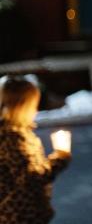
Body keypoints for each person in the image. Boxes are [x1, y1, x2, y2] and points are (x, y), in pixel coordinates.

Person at [0, 75, 71, 224]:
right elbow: (33, 178)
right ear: (21, 106)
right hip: (21, 214)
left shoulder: (13, 132)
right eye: (32, 105)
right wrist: (60, 156)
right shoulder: (13, 138)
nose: (35, 110)